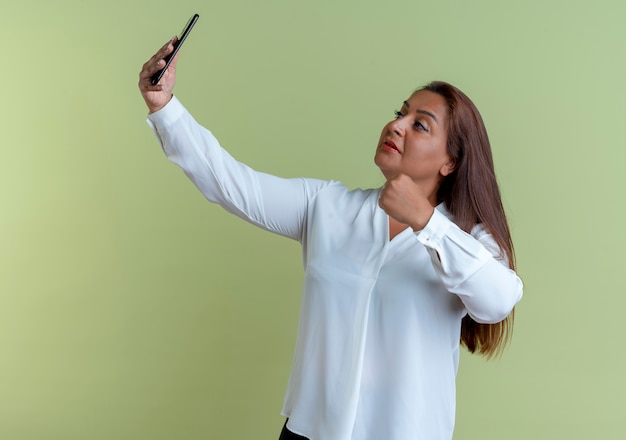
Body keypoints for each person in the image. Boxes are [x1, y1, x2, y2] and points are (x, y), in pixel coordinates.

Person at [138, 38, 523, 440]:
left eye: (419, 124)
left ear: (451, 161)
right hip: (309, 432)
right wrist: (164, 107)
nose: (396, 125)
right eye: (400, 113)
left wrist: (427, 223)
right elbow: (232, 183)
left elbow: (497, 301)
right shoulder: (326, 206)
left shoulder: (468, 239)